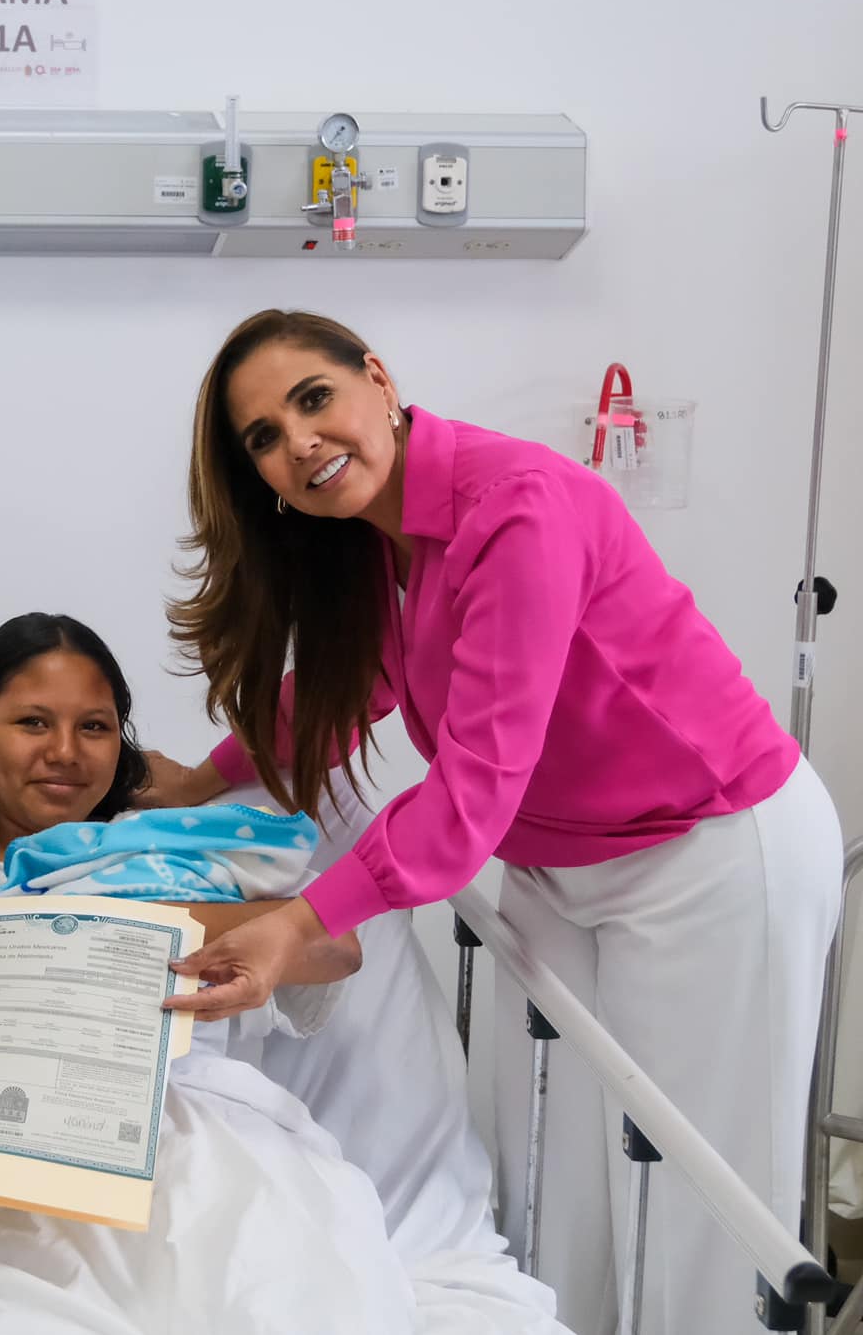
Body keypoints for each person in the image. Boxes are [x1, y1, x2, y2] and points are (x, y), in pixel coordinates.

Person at [153, 308, 843, 1334]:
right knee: (552, 1181)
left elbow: (471, 788)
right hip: (557, 864)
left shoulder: (514, 507)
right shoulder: (379, 544)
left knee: (700, 1203)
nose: (297, 441)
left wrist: (298, 923)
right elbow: (353, 685)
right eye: (261, 435)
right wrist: (198, 781)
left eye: (311, 398)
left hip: (704, 847)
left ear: (376, 379)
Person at [0, 612, 419, 1333]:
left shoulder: (176, 858)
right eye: (33, 723)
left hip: (206, 1140)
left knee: (277, 1283)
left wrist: (119, 906)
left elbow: (335, 946)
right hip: (9, 1162)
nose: (65, 753)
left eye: (95, 728)